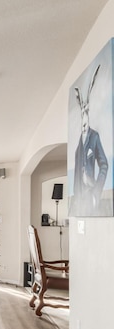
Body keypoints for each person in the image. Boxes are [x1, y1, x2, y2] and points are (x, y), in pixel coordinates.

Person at [72, 65, 109, 216]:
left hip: (90, 195)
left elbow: (104, 165)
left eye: (86, 112)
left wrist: (96, 192)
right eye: (82, 113)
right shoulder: (78, 143)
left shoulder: (94, 137)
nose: (84, 118)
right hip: (79, 198)